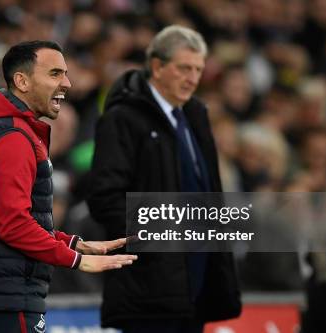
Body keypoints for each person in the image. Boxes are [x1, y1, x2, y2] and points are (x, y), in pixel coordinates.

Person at [0, 40, 137, 333]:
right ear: (22, 81)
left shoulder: (0, 128)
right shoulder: (13, 137)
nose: (67, 83)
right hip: (5, 296)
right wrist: (75, 260)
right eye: (55, 73)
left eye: (66, 73)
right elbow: (13, 225)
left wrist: (71, 243)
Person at [87, 25, 241, 332]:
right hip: (148, 291)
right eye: (184, 68)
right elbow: (105, 199)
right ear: (157, 66)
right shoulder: (123, 118)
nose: (193, 78)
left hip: (196, 287)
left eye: (198, 69)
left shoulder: (196, 115)